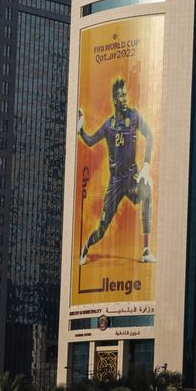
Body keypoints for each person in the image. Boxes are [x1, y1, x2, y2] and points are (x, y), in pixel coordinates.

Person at [76, 76, 154, 266]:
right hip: (116, 184)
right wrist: (80, 130)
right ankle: (86, 246)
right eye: (120, 96)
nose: (125, 98)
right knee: (102, 230)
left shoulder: (134, 117)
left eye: (126, 94)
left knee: (146, 192)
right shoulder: (108, 126)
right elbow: (90, 141)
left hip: (132, 178)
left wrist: (145, 167)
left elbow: (150, 136)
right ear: (115, 100)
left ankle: (146, 251)